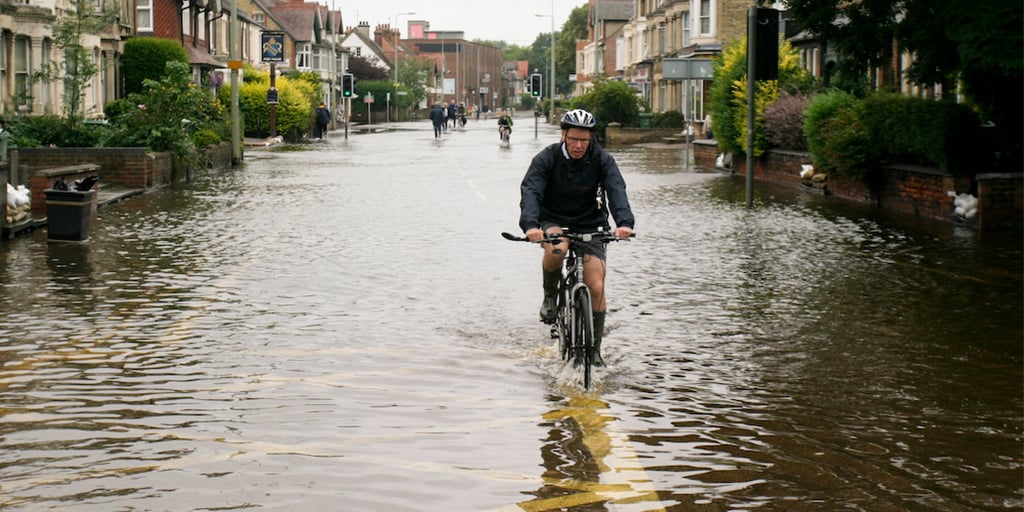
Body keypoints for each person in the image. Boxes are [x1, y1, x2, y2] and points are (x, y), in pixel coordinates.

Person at [518, 109, 635, 366]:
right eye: (574, 139)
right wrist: (531, 226)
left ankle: (594, 352)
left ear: (591, 138)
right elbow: (531, 190)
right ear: (564, 135)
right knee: (557, 248)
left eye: (584, 140)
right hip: (553, 219)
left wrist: (624, 223)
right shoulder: (546, 158)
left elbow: (617, 190)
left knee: (596, 285)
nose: (579, 145)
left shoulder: (602, 160)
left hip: (591, 222)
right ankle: (550, 295)